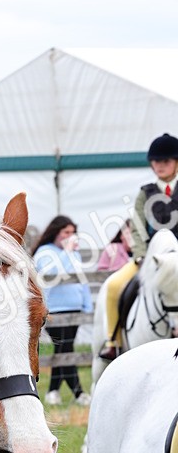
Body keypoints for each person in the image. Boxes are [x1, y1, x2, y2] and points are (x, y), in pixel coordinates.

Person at [100, 133, 178, 361]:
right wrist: (142, 257)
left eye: (165, 161)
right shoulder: (145, 193)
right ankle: (113, 341)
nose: (160, 166)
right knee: (114, 286)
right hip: (151, 260)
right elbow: (136, 228)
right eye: (156, 161)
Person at [32, 215, 92, 406]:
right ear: (56, 233)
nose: (70, 236)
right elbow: (55, 274)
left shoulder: (75, 254)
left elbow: (82, 280)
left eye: (73, 232)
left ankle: (53, 391)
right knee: (64, 347)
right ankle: (79, 393)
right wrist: (67, 252)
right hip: (55, 308)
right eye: (66, 232)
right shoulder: (44, 252)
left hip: (75, 307)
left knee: (64, 348)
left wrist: (87, 305)